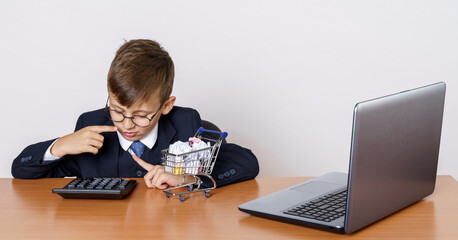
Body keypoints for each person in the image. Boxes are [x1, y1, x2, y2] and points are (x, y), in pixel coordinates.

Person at [11, 39, 259, 189]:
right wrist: (58, 146)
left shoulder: (186, 124)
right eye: (117, 111)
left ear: (166, 106)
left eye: (141, 115)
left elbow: (248, 163)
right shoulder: (91, 125)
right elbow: (20, 170)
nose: (127, 124)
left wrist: (185, 178)